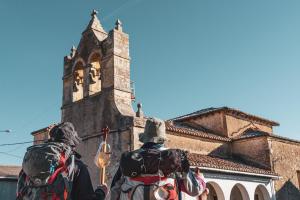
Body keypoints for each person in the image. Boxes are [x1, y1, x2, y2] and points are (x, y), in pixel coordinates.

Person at [110, 118, 207, 200]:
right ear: (163, 139)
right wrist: (200, 178)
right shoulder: (176, 158)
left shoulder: (129, 159)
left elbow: (113, 191)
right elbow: (195, 190)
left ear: (144, 138)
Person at [17, 122, 106, 200]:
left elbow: (20, 192)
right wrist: (101, 192)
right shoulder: (76, 165)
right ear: (72, 143)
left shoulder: (30, 161)